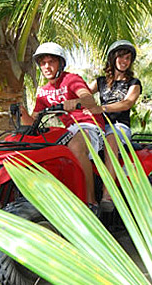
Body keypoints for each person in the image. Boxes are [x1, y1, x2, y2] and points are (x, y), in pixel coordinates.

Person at [21, 42, 104, 214]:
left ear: (60, 63)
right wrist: (21, 113)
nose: (46, 66)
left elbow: (90, 100)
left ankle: (91, 202)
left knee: (75, 147)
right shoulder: (43, 91)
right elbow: (34, 122)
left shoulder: (71, 79)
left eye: (51, 62)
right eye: (42, 63)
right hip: (70, 130)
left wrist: (76, 102)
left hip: (90, 126)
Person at [88, 40, 142, 211]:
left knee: (111, 138)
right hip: (99, 126)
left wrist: (101, 108)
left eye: (128, 58)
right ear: (113, 58)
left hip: (119, 126)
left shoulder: (133, 83)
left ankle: (107, 195)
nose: (124, 61)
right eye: (121, 57)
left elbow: (127, 103)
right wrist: (69, 102)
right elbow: (83, 94)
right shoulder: (101, 81)